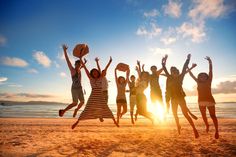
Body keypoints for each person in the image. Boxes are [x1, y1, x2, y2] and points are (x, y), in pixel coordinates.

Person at [72, 57, 119, 129]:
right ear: (92, 74)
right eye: (93, 72)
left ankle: (115, 122)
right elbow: (85, 68)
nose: (95, 73)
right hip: (92, 97)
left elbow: (105, 69)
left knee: (106, 108)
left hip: (100, 96)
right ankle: (77, 122)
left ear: (98, 73)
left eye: (96, 72)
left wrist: (109, 62)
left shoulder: (101, 77)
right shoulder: (90, 78)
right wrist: (81, 59)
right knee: (87, 109)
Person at [162, 54, 199, 138]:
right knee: (175, 115)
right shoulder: (170, 78)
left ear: (178, 73)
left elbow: (184, 67)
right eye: (173, 72)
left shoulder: (180, 77)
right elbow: (164, 68)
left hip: (181, 98)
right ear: (171, 73)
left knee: (185, 115)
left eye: (176, 72)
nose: (175, 73)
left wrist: (188, 59)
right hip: (173, 99)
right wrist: (163, 61)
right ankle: (178, 126)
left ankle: (194, 129)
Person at [188, 56, 219, 139]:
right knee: (204, 116)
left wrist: (210, 62)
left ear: (207, 77)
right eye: (201, 76)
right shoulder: (198, 82)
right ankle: (207, 125)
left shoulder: (209, 81)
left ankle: (216, 131)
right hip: (201, 101)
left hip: (210, 101)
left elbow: (210, 71)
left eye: (204, 76)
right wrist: (189, 67)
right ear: (199, 77)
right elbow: (190, 74)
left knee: (213, 116)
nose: (202, 77)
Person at [59, 44, 86, 118]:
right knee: (75, 103)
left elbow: (82, 66)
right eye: (77, 64)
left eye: (79, 65)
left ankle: (76, 110)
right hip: (74, 89)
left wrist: (84, 62)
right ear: (75, 65)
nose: (78, 66)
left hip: (80, 88)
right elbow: (67, 60)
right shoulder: (72, 70)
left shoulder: (80, 69)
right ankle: (63, 111)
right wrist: (64, 51)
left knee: (83, 102)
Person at [95, 56, 112, 122]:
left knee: (105, 105)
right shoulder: (101, 77)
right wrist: (97, 62)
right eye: (103, 72)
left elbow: (106, 68)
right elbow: (101, 69)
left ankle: (100, 115)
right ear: (101, 73)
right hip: (102, 92)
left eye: (105, 72)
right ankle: (100, 115)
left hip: (106, 92)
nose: (105, 73)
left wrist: (110, 62)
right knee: (102, 105)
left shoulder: (105, 77)